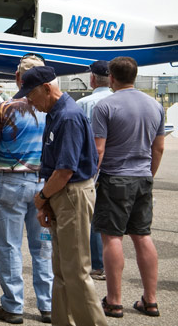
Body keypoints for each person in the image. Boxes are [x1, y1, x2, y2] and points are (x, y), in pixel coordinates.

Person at [16, 66, 107, 326]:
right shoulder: (56, 113)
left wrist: (42, 198)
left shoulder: (67, 116)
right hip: (61, 194)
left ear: (46, 88)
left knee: (76, 271)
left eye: (31, 96)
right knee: (62, 269)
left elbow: (65, 170)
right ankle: (62, 321)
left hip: (70, 194)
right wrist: (47, 201)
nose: (30, 102)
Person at [0, 54, 52, 324]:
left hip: (11, 182)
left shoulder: (4, 109)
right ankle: (48, 305)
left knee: (8, 246)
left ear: (17, 78)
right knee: (44, 247)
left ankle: (13, 306)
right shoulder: (51, 109)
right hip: (44, 184)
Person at [92, 57, 164, 318]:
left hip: (114, 178)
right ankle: (151, 300)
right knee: (142, 235)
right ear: (135, 76)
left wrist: (91, 180)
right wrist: (149, 175)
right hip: (143, 177)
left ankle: (114, 301)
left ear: (111, 77)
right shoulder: (155, 105)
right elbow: (159, 147)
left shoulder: (105, 106)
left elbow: (98, 150)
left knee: (112, 237)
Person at [76, 60, 112, 282]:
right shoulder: (122, 101)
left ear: (92, 78)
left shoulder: (83, 104)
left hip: (92, 167)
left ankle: (97, 264)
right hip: (121, 168)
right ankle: (111, 262)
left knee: (93, 219)